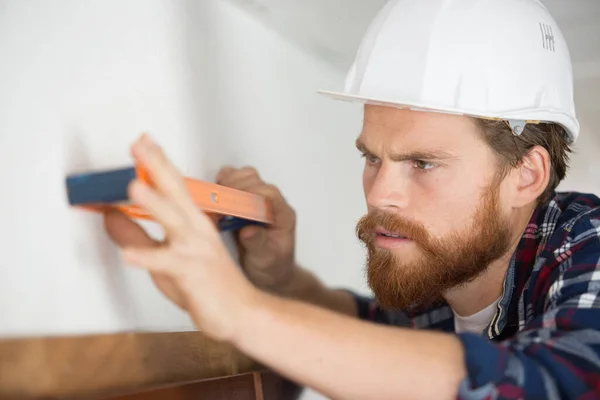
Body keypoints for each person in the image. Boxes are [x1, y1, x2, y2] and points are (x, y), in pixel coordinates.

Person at [104, 0, 600, 399]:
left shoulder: (587, 241)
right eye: (372, 158)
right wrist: (280, 279)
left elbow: (553, 381)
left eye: (422, 164)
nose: (380, 193)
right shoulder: (442, 268)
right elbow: (374, 336)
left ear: (525, 175)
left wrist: (241, 311)